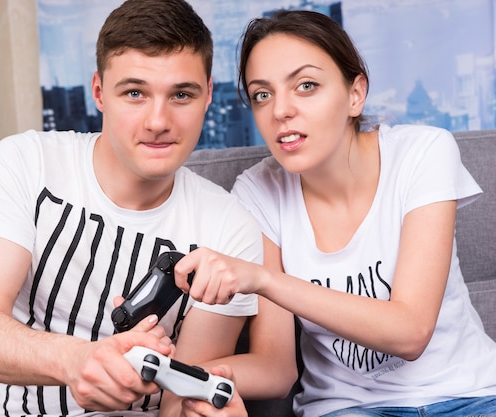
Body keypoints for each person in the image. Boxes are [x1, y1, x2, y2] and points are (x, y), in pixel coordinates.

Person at [173, 9, 496, 417]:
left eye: (306, 86)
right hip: (347, 409)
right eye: (262, 94)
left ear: (355, 93)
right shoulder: (257, 193)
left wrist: (263, 279)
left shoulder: (422, 153)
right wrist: (178, 374)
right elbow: (275, 368)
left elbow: (410, 332)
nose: (280, 111)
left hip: (471, 396)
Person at [0, 0, 269, 415]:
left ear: (209, 95)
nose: (158, 121)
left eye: (181, 94)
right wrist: (76, 360)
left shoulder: (231, 226)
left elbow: (178, 400)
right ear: (99, 92)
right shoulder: (26, 161)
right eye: (135, 93)